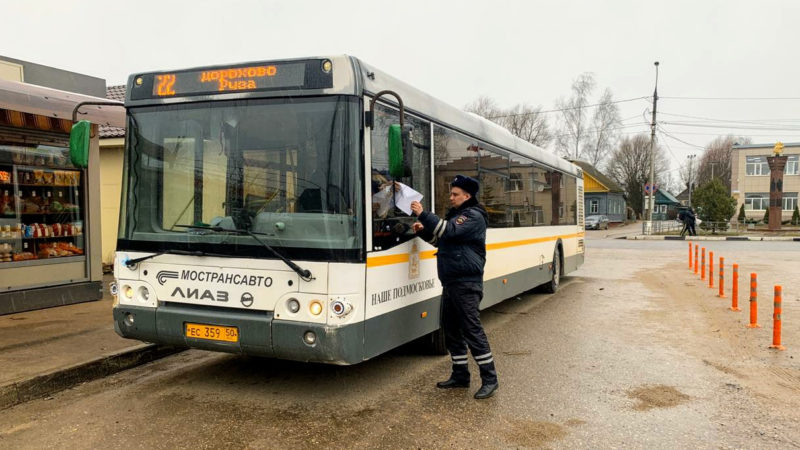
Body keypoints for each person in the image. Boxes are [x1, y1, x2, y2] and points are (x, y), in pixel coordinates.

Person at [409, 174, 498, 400]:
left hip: (466, 284)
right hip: (451, 283)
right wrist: (423, 231)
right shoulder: (458, 216)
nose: (451, 197)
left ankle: (490, 379)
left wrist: (423, 213)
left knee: (472, 331)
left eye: (455, 194)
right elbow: (442, 240)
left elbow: (448, 231)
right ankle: (460, 376)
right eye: (451, 193)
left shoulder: (473, 216)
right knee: (451, 331)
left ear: (467, 196)